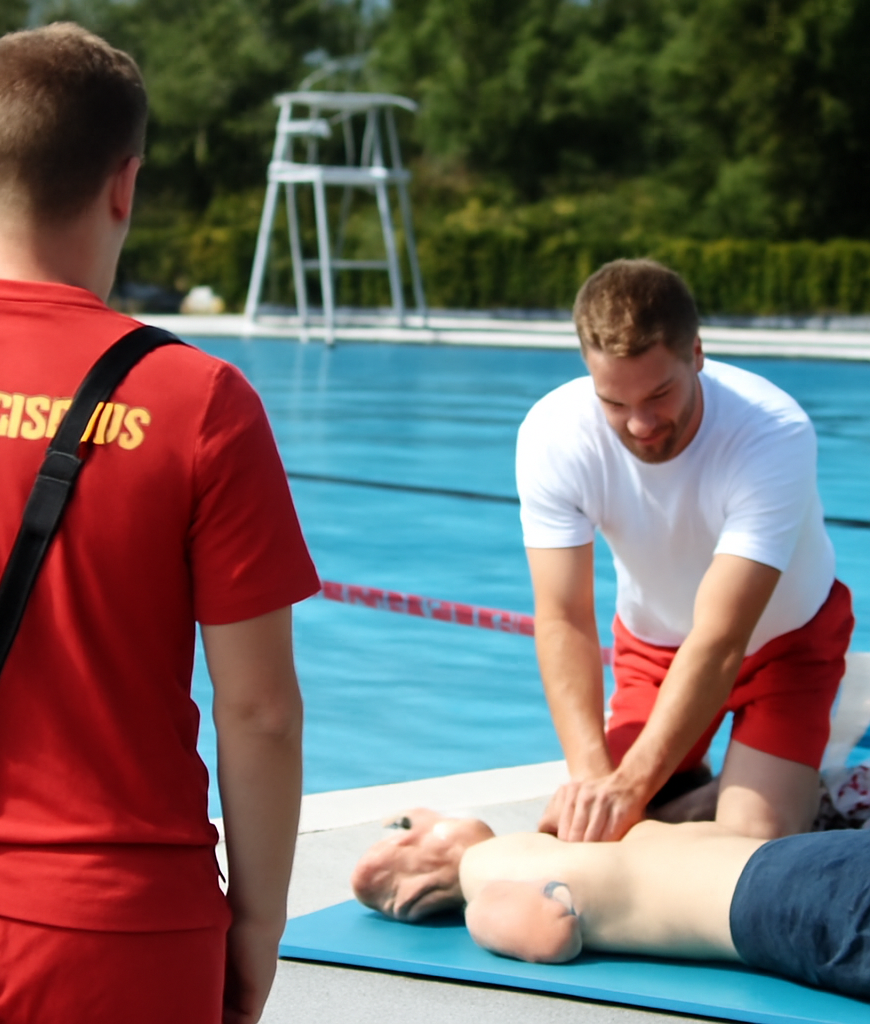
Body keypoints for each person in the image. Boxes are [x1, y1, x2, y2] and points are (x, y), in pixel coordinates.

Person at [0, 24, 320, 1024]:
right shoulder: (199, 400)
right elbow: (260, 711)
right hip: (117, 926)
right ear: (126, 184)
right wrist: (257, 924)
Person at [516, 259, 853, 843]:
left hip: (784, 649)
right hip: (654, 651)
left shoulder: (770, 432)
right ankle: (735, 786)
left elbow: (722, 638)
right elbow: (563, 618)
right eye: (614, 403)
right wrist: (597, 782)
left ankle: (787, 795)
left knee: (749, 849)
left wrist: (631, 791)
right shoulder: (554, 435)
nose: (641, 425)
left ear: (696, 353)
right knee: (594, 829)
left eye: (659, 394)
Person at [352, 809, 870, 1001]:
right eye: (410, 827)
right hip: (788, 895)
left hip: (792, 878)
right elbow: (550, 936)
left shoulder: (541, 856)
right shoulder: (486, 887)